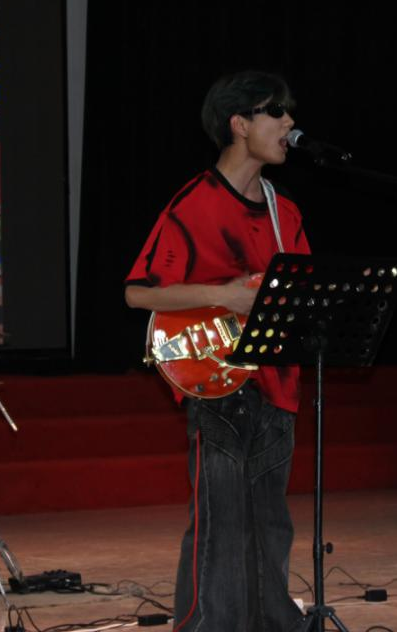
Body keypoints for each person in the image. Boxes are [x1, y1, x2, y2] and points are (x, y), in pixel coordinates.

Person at [125, 70, 309, 632]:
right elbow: (139, 293)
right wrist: (224, 295)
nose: (288, 122)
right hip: (218, 385)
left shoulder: (285, 212)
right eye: (275, 111)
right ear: (239, 124)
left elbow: (300, 293)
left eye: (288, 112)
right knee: (221, 523)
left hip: (277, 384)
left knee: (271, 522)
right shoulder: (193, 205)